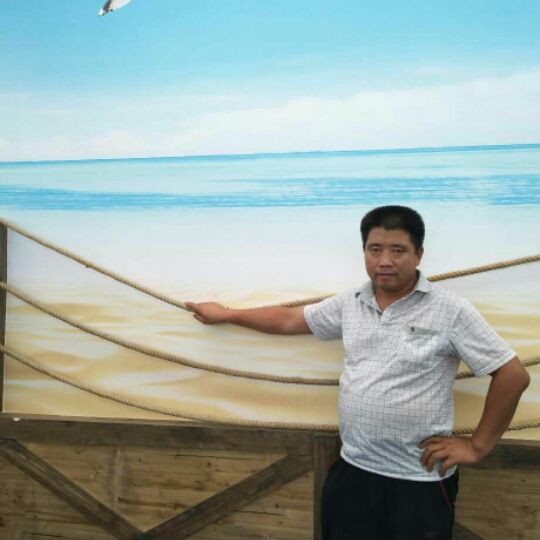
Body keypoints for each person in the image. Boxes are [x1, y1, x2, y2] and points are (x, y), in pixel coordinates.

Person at [186, 205, 530, 540]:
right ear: (364, 251)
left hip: (419, 478)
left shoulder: (450, 310)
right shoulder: (351, 302)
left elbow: (512, 375)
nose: (385, 260)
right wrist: (226, 314)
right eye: (374, 249)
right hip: (353, 471)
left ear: (419, 254)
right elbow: (290, 319)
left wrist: (477, 446)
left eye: (398, 250)